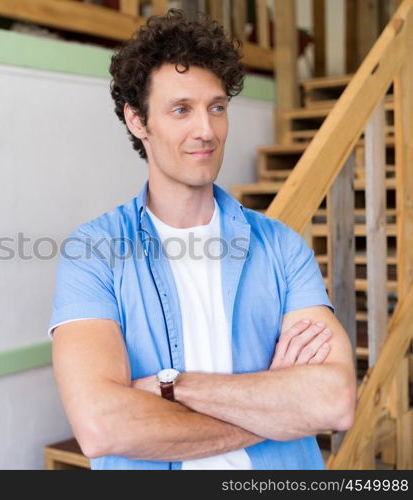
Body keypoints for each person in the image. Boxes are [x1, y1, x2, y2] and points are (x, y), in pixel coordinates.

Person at [48, 9, 356, 470]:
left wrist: (173, 387)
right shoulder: (93, 251)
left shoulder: (281, 246)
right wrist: (275, 409)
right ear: (137, 120)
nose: (207, 131)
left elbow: (333, 402)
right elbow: (101, 426)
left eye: (216, 107)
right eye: (181, 110)